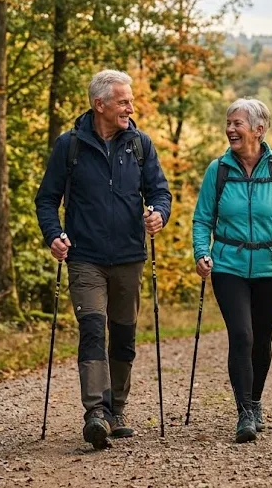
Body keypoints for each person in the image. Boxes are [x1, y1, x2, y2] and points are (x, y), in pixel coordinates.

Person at [35, 69, 172, 450]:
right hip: (85, 257)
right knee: (93, 329)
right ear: (100, 105)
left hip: (129, 255)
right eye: (124, 101)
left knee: (124, 334)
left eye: (130, 100)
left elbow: (160, 192)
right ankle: (95, 413)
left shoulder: (140, 144)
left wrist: (159, 213)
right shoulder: (70, 146)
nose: (131, 107)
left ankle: (117, 409)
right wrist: (54, 235)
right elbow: (47, 199)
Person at [191, 98, 272, 443]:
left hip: (271, 266)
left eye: (237, 123)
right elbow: (202, 218)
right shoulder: (219, 170)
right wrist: (202, 253)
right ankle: (244, 413)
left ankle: (255, 402)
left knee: (262, 340)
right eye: (228, 123)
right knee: (241, 336)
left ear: (259, 129)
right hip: (229, 265)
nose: (230, 129)